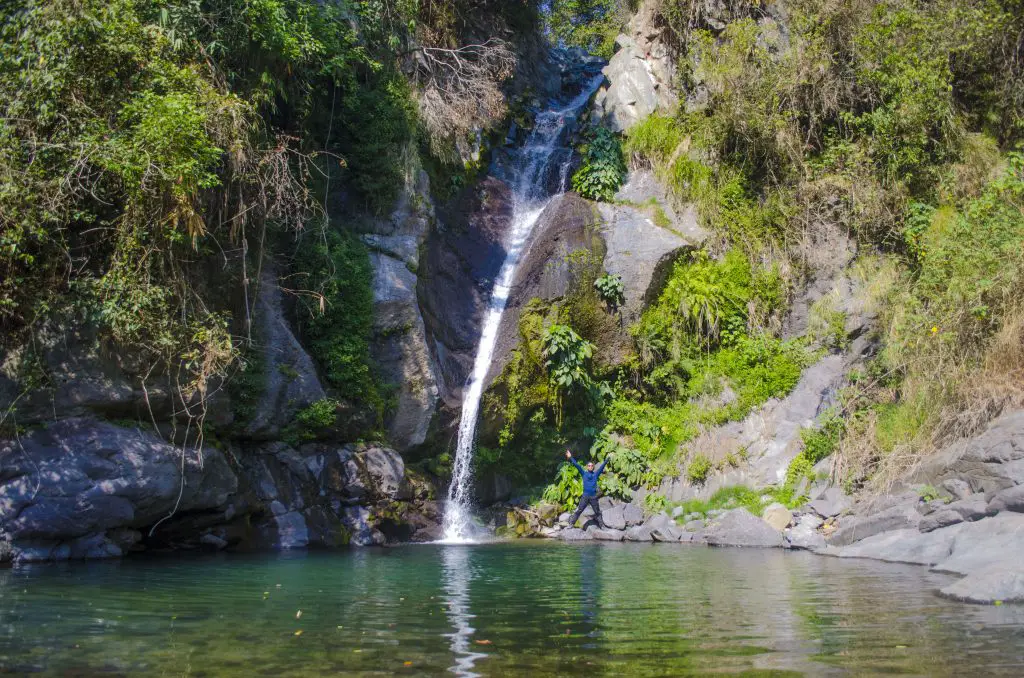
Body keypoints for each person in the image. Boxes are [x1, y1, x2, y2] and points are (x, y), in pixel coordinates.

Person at [565, 448, 611, 529]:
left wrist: (607, 459)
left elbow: (602, 466)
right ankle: (571, 524)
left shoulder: (596, 474)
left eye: (592, 466)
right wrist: (570, 457)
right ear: (587, 467)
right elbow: (577, 465)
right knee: (579, 510)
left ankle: (602, 526)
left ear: (593, 467)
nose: (590, 467)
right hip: (585, 496)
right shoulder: (584, 473)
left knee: (597, 512)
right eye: (589, 465)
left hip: (593, 497)